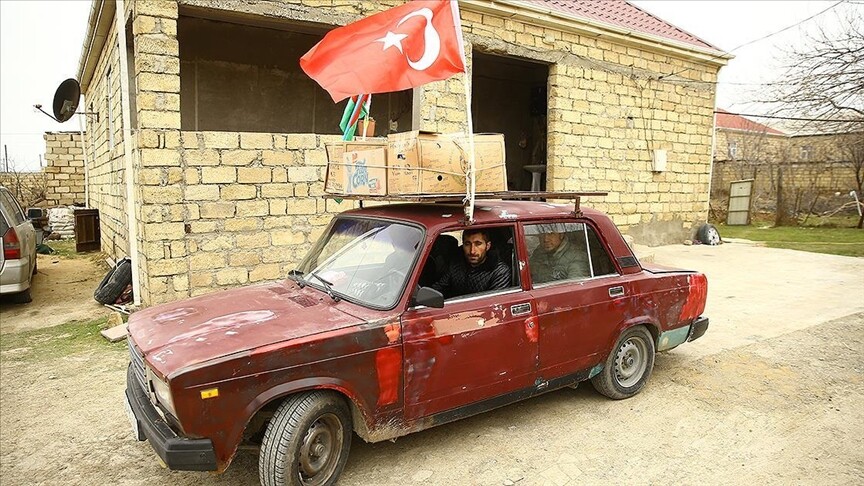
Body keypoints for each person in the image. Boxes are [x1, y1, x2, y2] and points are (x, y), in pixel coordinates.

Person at [431, 229, 510, 299]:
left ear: (488, 246)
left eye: (478, 244)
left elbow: (494, 304)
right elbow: (440, 287)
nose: (472, 251)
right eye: (467, 244)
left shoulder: (499, 271)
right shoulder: (457, 263)